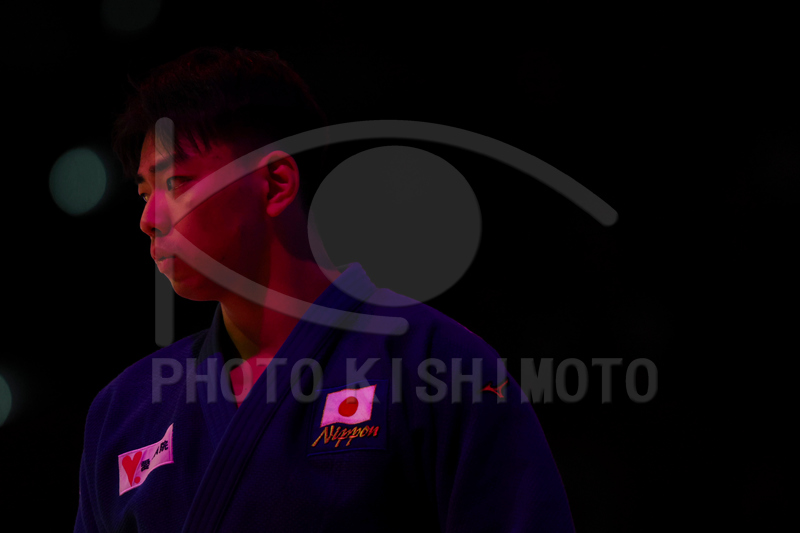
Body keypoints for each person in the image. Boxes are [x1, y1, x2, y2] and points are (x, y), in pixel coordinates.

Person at [74, 46, 574, 532]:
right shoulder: (125, 409)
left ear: (275, 184)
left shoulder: (439, 364)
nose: (149, 218)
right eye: (144, 193)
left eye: (176, 182)